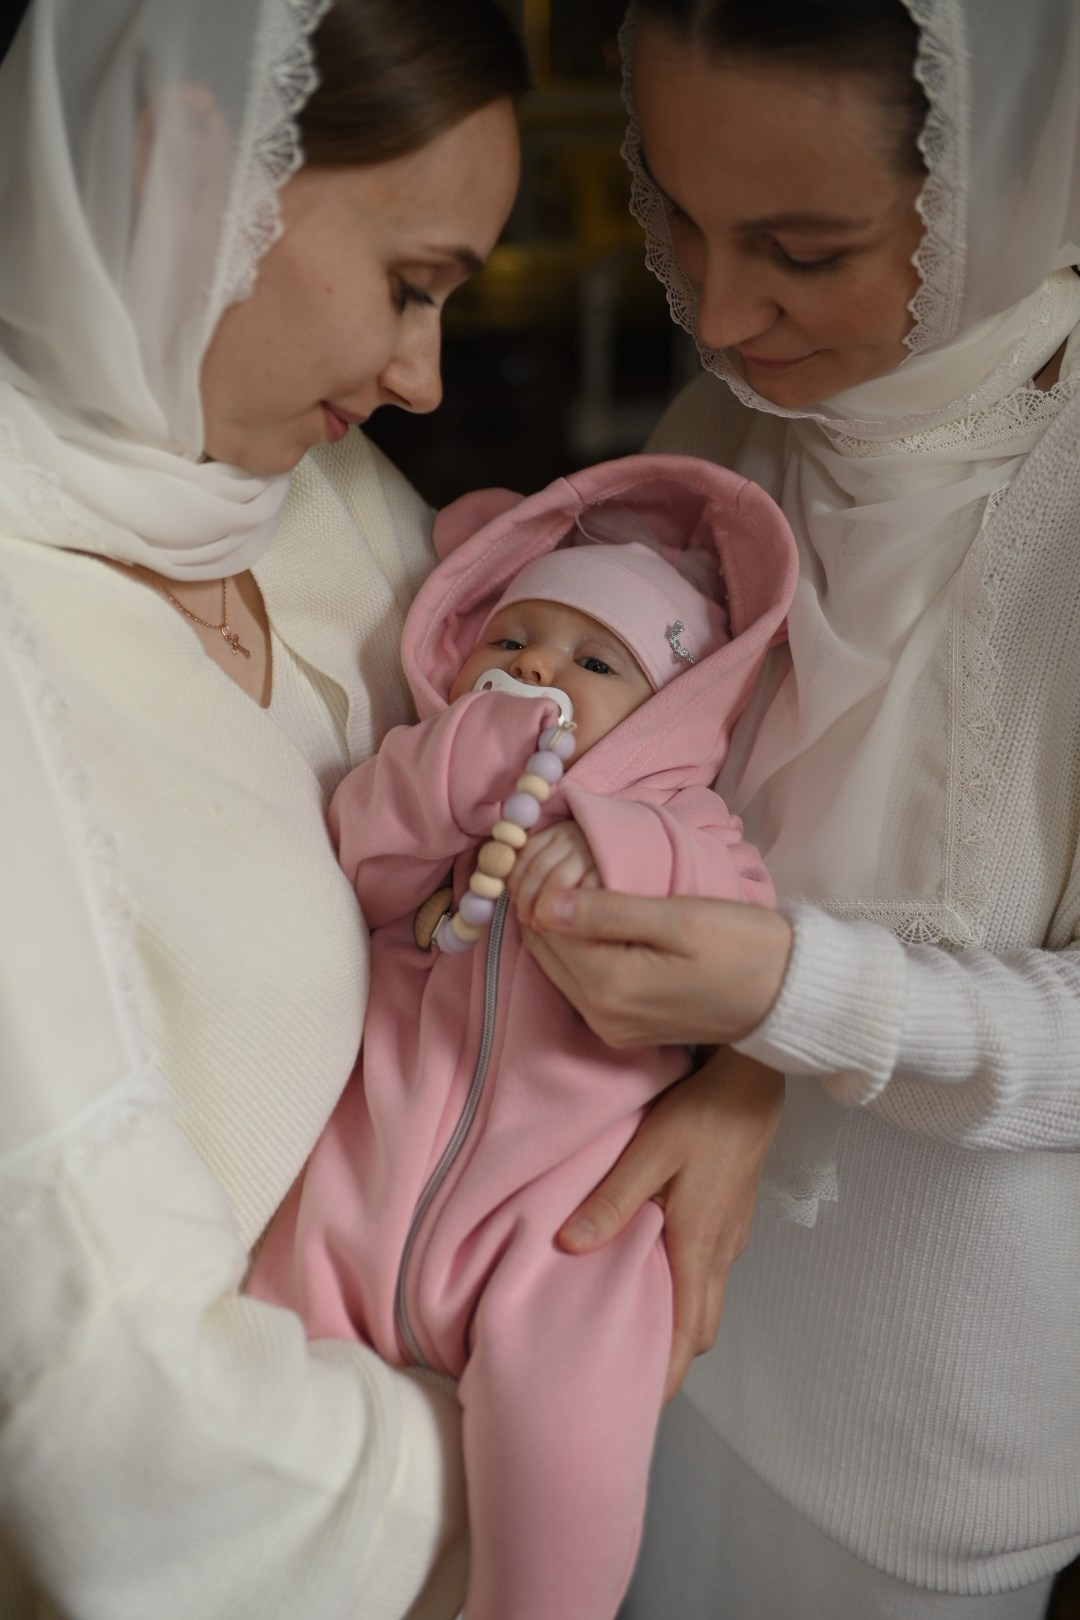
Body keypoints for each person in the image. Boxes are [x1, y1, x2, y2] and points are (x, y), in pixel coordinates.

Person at [511, 2, 1080, 1617]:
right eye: (676, 214)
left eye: (806, 251)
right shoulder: (731, 426)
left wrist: (786, 1004)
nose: (720, 311)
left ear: (1012, 175)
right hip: (622, 1326)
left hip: (912, 1448)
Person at [0, 1, 529, 1615]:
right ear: (187, 173)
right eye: (410, 283)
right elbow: (117, 1416)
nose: (423, 377)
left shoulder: (303, 494)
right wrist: (547, 1435)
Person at [247, 452, 797, 1620]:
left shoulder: (689, 825)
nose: (541, 667)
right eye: (513, 639)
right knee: (256, 1408)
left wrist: (621, 846)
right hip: (359, 1184)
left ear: (669, 709)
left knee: (571, 1451)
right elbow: (358, 856)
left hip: (561, 1228)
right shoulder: (437, 800)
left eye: (598, 662)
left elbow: (738, 938)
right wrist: (459, 763)